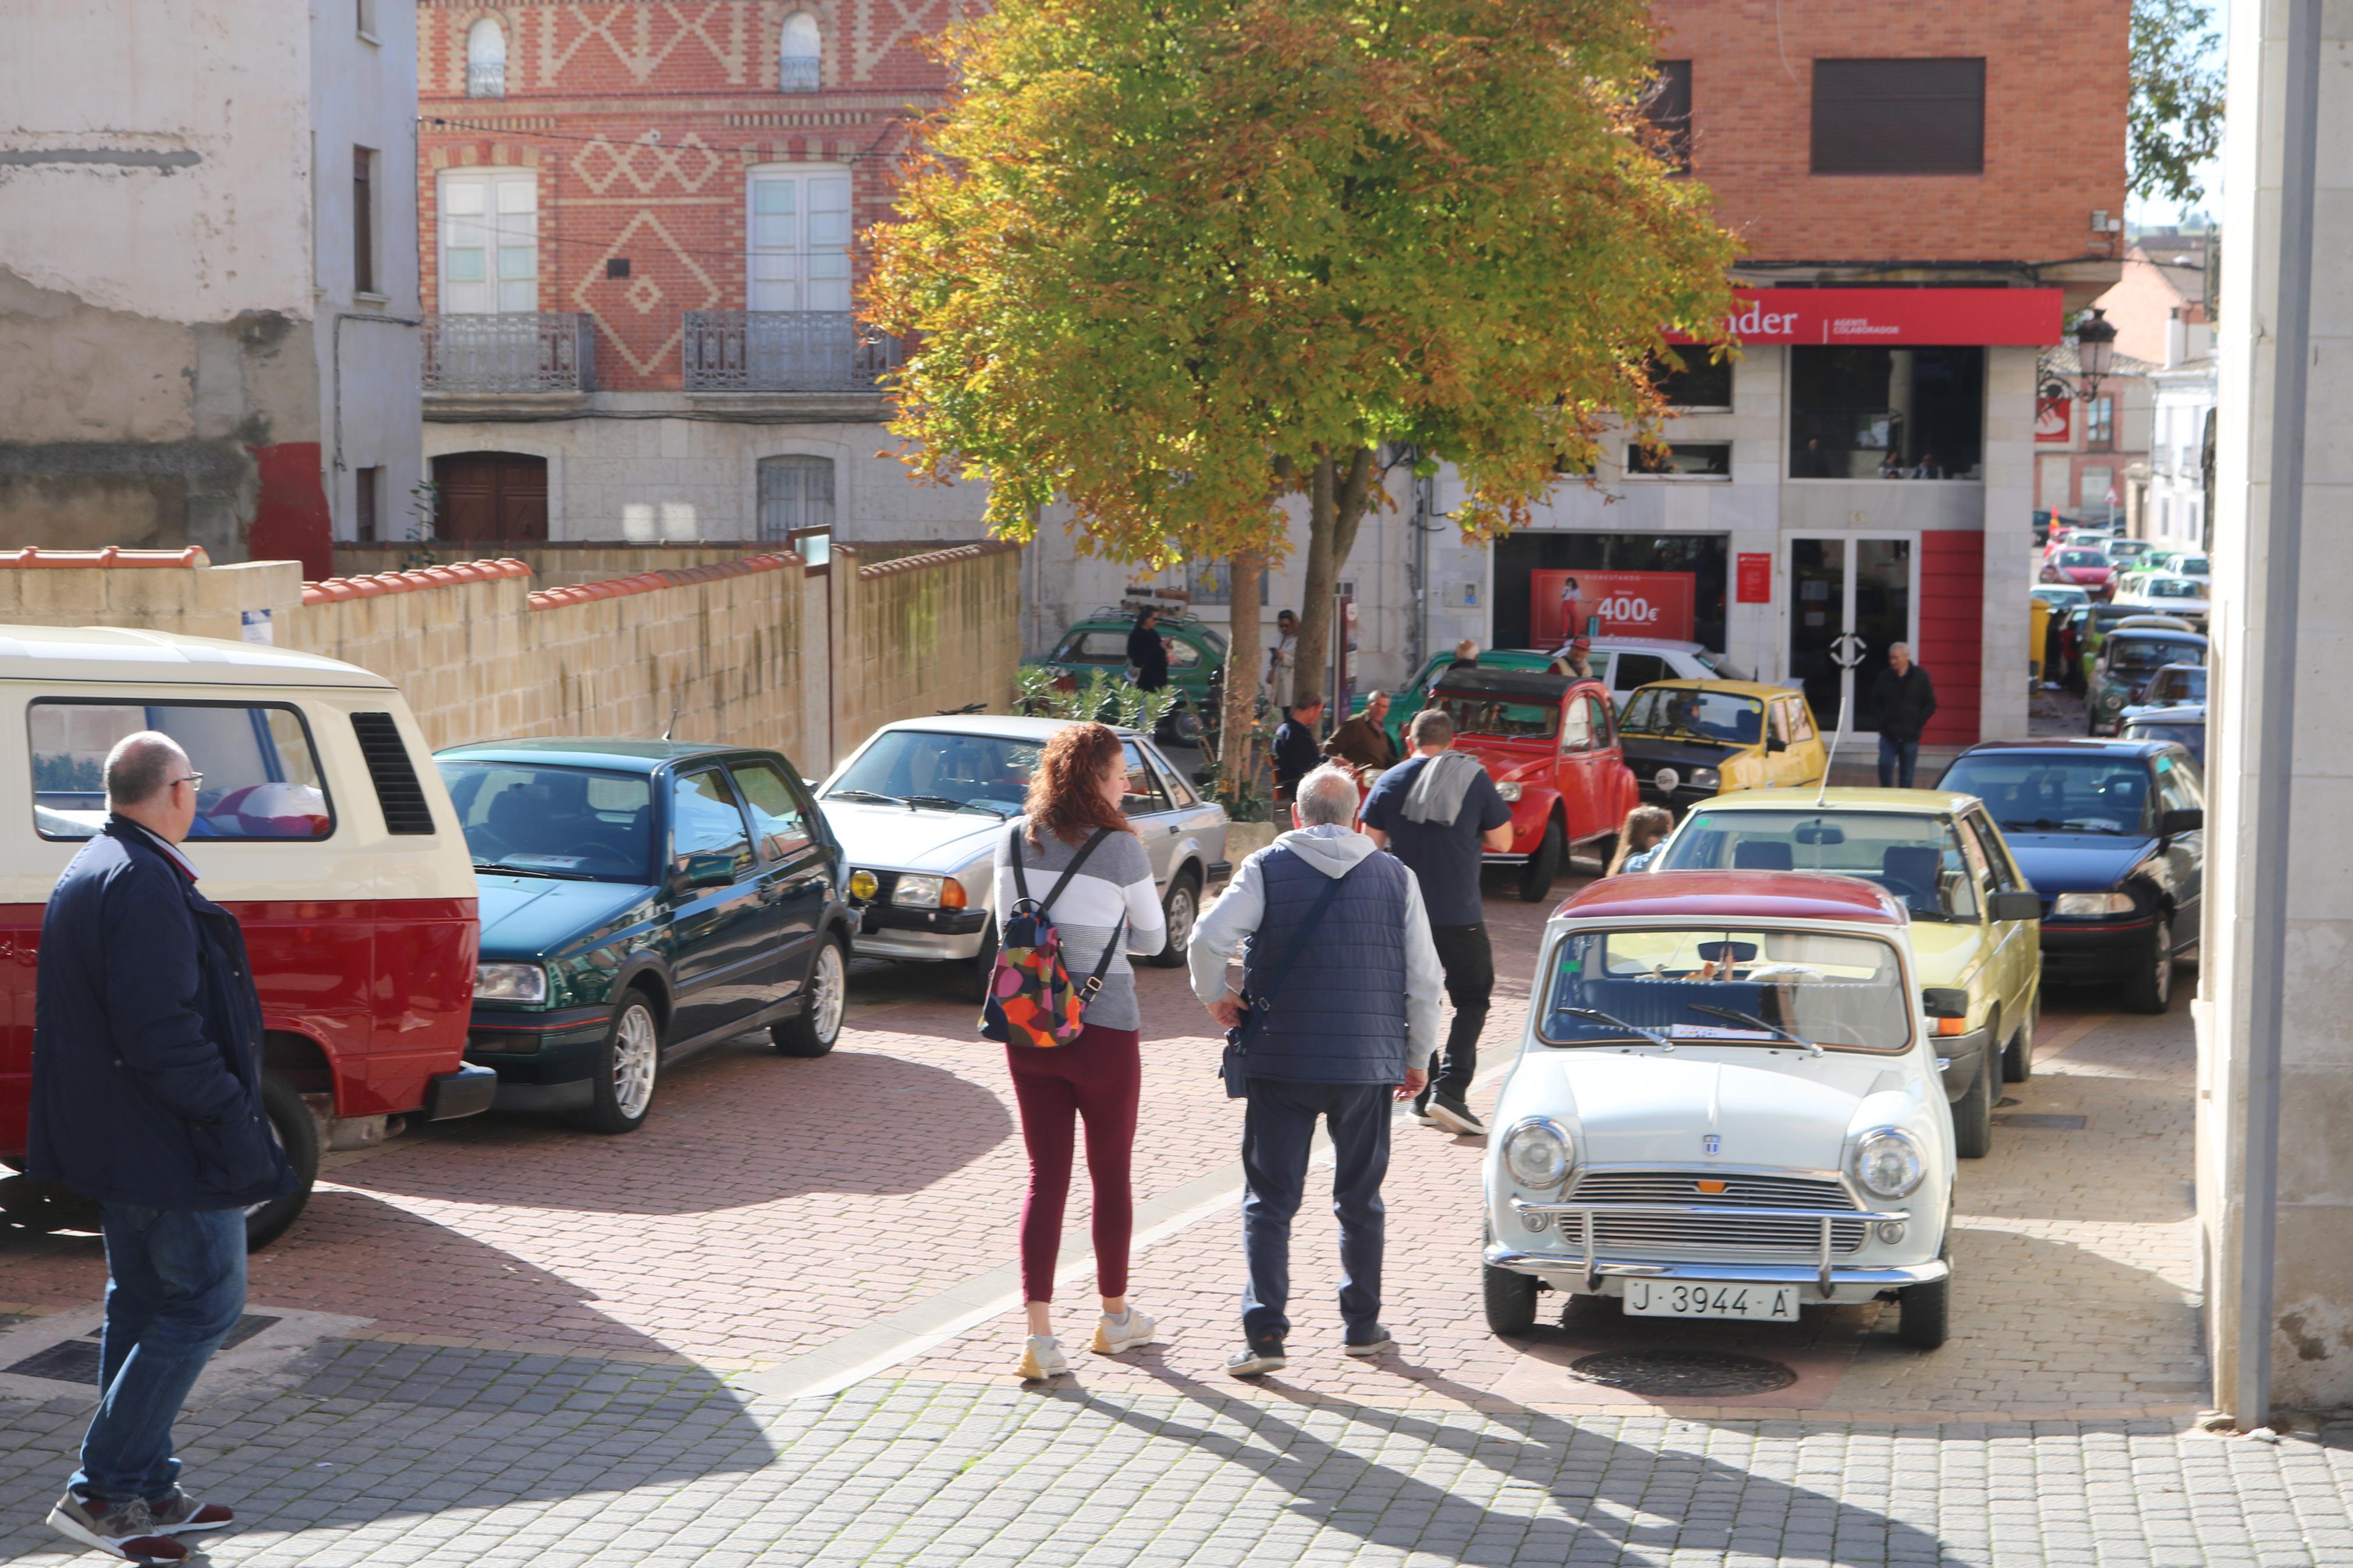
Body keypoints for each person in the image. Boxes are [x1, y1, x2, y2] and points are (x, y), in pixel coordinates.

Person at [29, 732, 296, 1565]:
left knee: (142, 1302)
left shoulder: (98, 862)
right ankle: (103, 1489)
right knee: (206, 1302)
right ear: (175, 789)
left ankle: (145, 1483)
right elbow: (161, 1033)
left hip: (125, 1140)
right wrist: (229, 1112)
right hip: (167, 1142)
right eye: (195, 782)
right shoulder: (141, 879)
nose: (198, 795)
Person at [1188, 763, 1444, 1376]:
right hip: (1366, 1061)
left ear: (1297, 814)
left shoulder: (1266, 867)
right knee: (1359, 1197)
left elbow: (1205, 938)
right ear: (1356, 816)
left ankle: (1265, 1336)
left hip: (1282, 1056)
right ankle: (1361, 1327)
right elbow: (1425, 979)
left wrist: (1215, 997)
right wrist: (1417, 1058)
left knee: (1269, 1200)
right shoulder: (1395, 876)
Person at [992, 723, 1169, 1382]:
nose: (1127, 784)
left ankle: (1039, 1337)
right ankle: (1114, 1317)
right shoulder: (1121, 850)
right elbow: (1152, 940)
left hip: (1027, 1026)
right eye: (1119, 773)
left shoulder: (1011, 836)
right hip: (1103, 1027)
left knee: (1045, 1179)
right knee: (1110, 1174)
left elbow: (1002, 925)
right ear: (1094, 779)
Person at [1360, 709, 1514, 1135]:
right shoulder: (1473, 777)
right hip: (1459, 913)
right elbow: (1503, 840)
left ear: (1409, 740)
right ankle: (1452, 1091)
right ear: (1452, 741)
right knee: (1472, 998)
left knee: (1413, 999)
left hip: (1403, 915)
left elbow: (1367, 847)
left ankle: (1424, 1095)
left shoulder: (1388, 781)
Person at [1871, 642, 1938, 788]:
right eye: (1891, 658)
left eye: (1896, 658)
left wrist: (1918, 723)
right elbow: (1875, 702)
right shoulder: (1885, 677)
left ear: (1907, 657)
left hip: (1911, 735)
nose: (1893, 662)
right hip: (1888, 735)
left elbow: (1931, 703)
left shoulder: (1920, 676)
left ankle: (1904, 802)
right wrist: (1882, 723)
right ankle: (1886, 796)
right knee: (1885, 765)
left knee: (1907, 776)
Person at [1321, 689, 1398, 774]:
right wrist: (1342, 766)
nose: (1380, 709)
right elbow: (1330, 748)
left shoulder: (1382, 733)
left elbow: (1387, 759)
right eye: (1377, 704)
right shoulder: (1356, 723)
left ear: (1387, 711)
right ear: (1368, 705)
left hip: (1373, 781)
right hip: (1358, 781)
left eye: (1384, 707)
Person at [1270, 693, 1325, 808]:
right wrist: (1330, 762)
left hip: (1301, 782)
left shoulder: (1291, 729)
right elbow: (1307, 767)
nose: (1317, 718)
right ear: (1312, 709)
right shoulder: (1293, 734)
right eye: (1318, 713)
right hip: (1302, 786)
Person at [1605, 804, 1676, 874]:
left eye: (1664, 834)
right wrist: (1671, 840)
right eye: (1657, 834)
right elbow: (1653, 857)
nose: (1662, 839)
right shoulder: (1632, 864)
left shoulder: (1666, 860)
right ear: (1638, 836)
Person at [1126, 606, 1170, 692]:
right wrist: (1159, 648)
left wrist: (1165, 646)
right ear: (1146, 619)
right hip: (1147, 682)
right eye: (1154, 619)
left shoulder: (1152, 632)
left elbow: (1157, 649)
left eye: (1158, 619)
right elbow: (1138, 657)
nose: (1156, 622)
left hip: (1159, 681)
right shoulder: (1137, 635)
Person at [1268, 610, 1300, 714]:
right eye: (1281, 626)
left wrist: (1284, 657)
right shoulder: (1280, 637)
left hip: (1290, 681)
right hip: (1278, 680)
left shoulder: (1298, 639)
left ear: (1293, 624)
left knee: (1290, 712)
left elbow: (1300, 662)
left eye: (1286, 626)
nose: (1284, 629)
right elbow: (1275, 659)